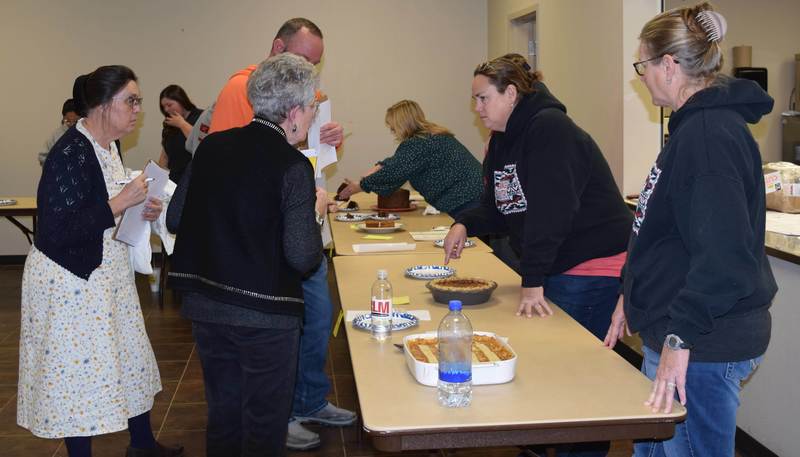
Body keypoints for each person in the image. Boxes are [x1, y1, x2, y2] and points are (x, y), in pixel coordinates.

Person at [604, 4, 776, 456]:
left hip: (703, 342)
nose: (640, 76)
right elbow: (668, 233)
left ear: (669, 65)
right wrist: (632, 292)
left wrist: (681, 341)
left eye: (642, 64)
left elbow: (724, 258)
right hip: (679, 329)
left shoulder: (707, 136)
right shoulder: (692, 129)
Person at [18, 65, 181, 457]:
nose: (138, 109)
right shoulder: (70, 151)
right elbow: (56, 230)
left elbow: (102, 209)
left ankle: (141, 443)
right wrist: (120, 203)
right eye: (132, 100)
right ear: (104, 105)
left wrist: (138, 208)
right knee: (80, 375)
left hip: (105, 274)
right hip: (70, 281)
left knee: (129, 356)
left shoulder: (108, 146)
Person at [206, 17, 354, 451]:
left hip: (297, 215)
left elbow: (304, 157)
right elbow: (240, 163)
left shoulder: (304, 94)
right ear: (277, 48)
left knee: (316, 320)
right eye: (304, 59)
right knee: (280, 334)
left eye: (316, 63)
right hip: (268, 237)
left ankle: (308, 399)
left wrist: (330, 142)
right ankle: (282, 413)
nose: (312, 71)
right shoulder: (241, 89)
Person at [167, 53, 324, 457]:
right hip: (265, 316)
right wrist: (314, 213)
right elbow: (303, 256)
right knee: (263, 425)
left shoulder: (213, 146)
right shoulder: (293, 166)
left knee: (224, 415)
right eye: (311, 108)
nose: (312, 117)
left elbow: (175, 217)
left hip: (206, 307)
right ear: (292, 112)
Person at [336, 99, 482, 217]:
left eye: (393, 126)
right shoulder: (431, 136)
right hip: (476, 195)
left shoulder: (418, 143)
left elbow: (394, 171)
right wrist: (379, 167)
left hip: (467, 201)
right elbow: (399, 162)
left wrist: (361, 186)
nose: (392, 130)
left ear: (402, 123)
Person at [157, 85, 202, 183]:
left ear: (181, 101)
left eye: (169, 105)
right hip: (173, 180)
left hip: (193, 180)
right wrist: (158, 175)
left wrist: (182, 124)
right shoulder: (170, 124)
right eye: (163, 107)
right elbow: (165, 154)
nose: (166, 110)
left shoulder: (200, 117)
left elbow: (199, 141)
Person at [38, 98, 80, 166]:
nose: (72, 124)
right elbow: (42, 157)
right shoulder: (56, 135)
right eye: (68, 121)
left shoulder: (86, 134)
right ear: (63, 118)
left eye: (76, 121)